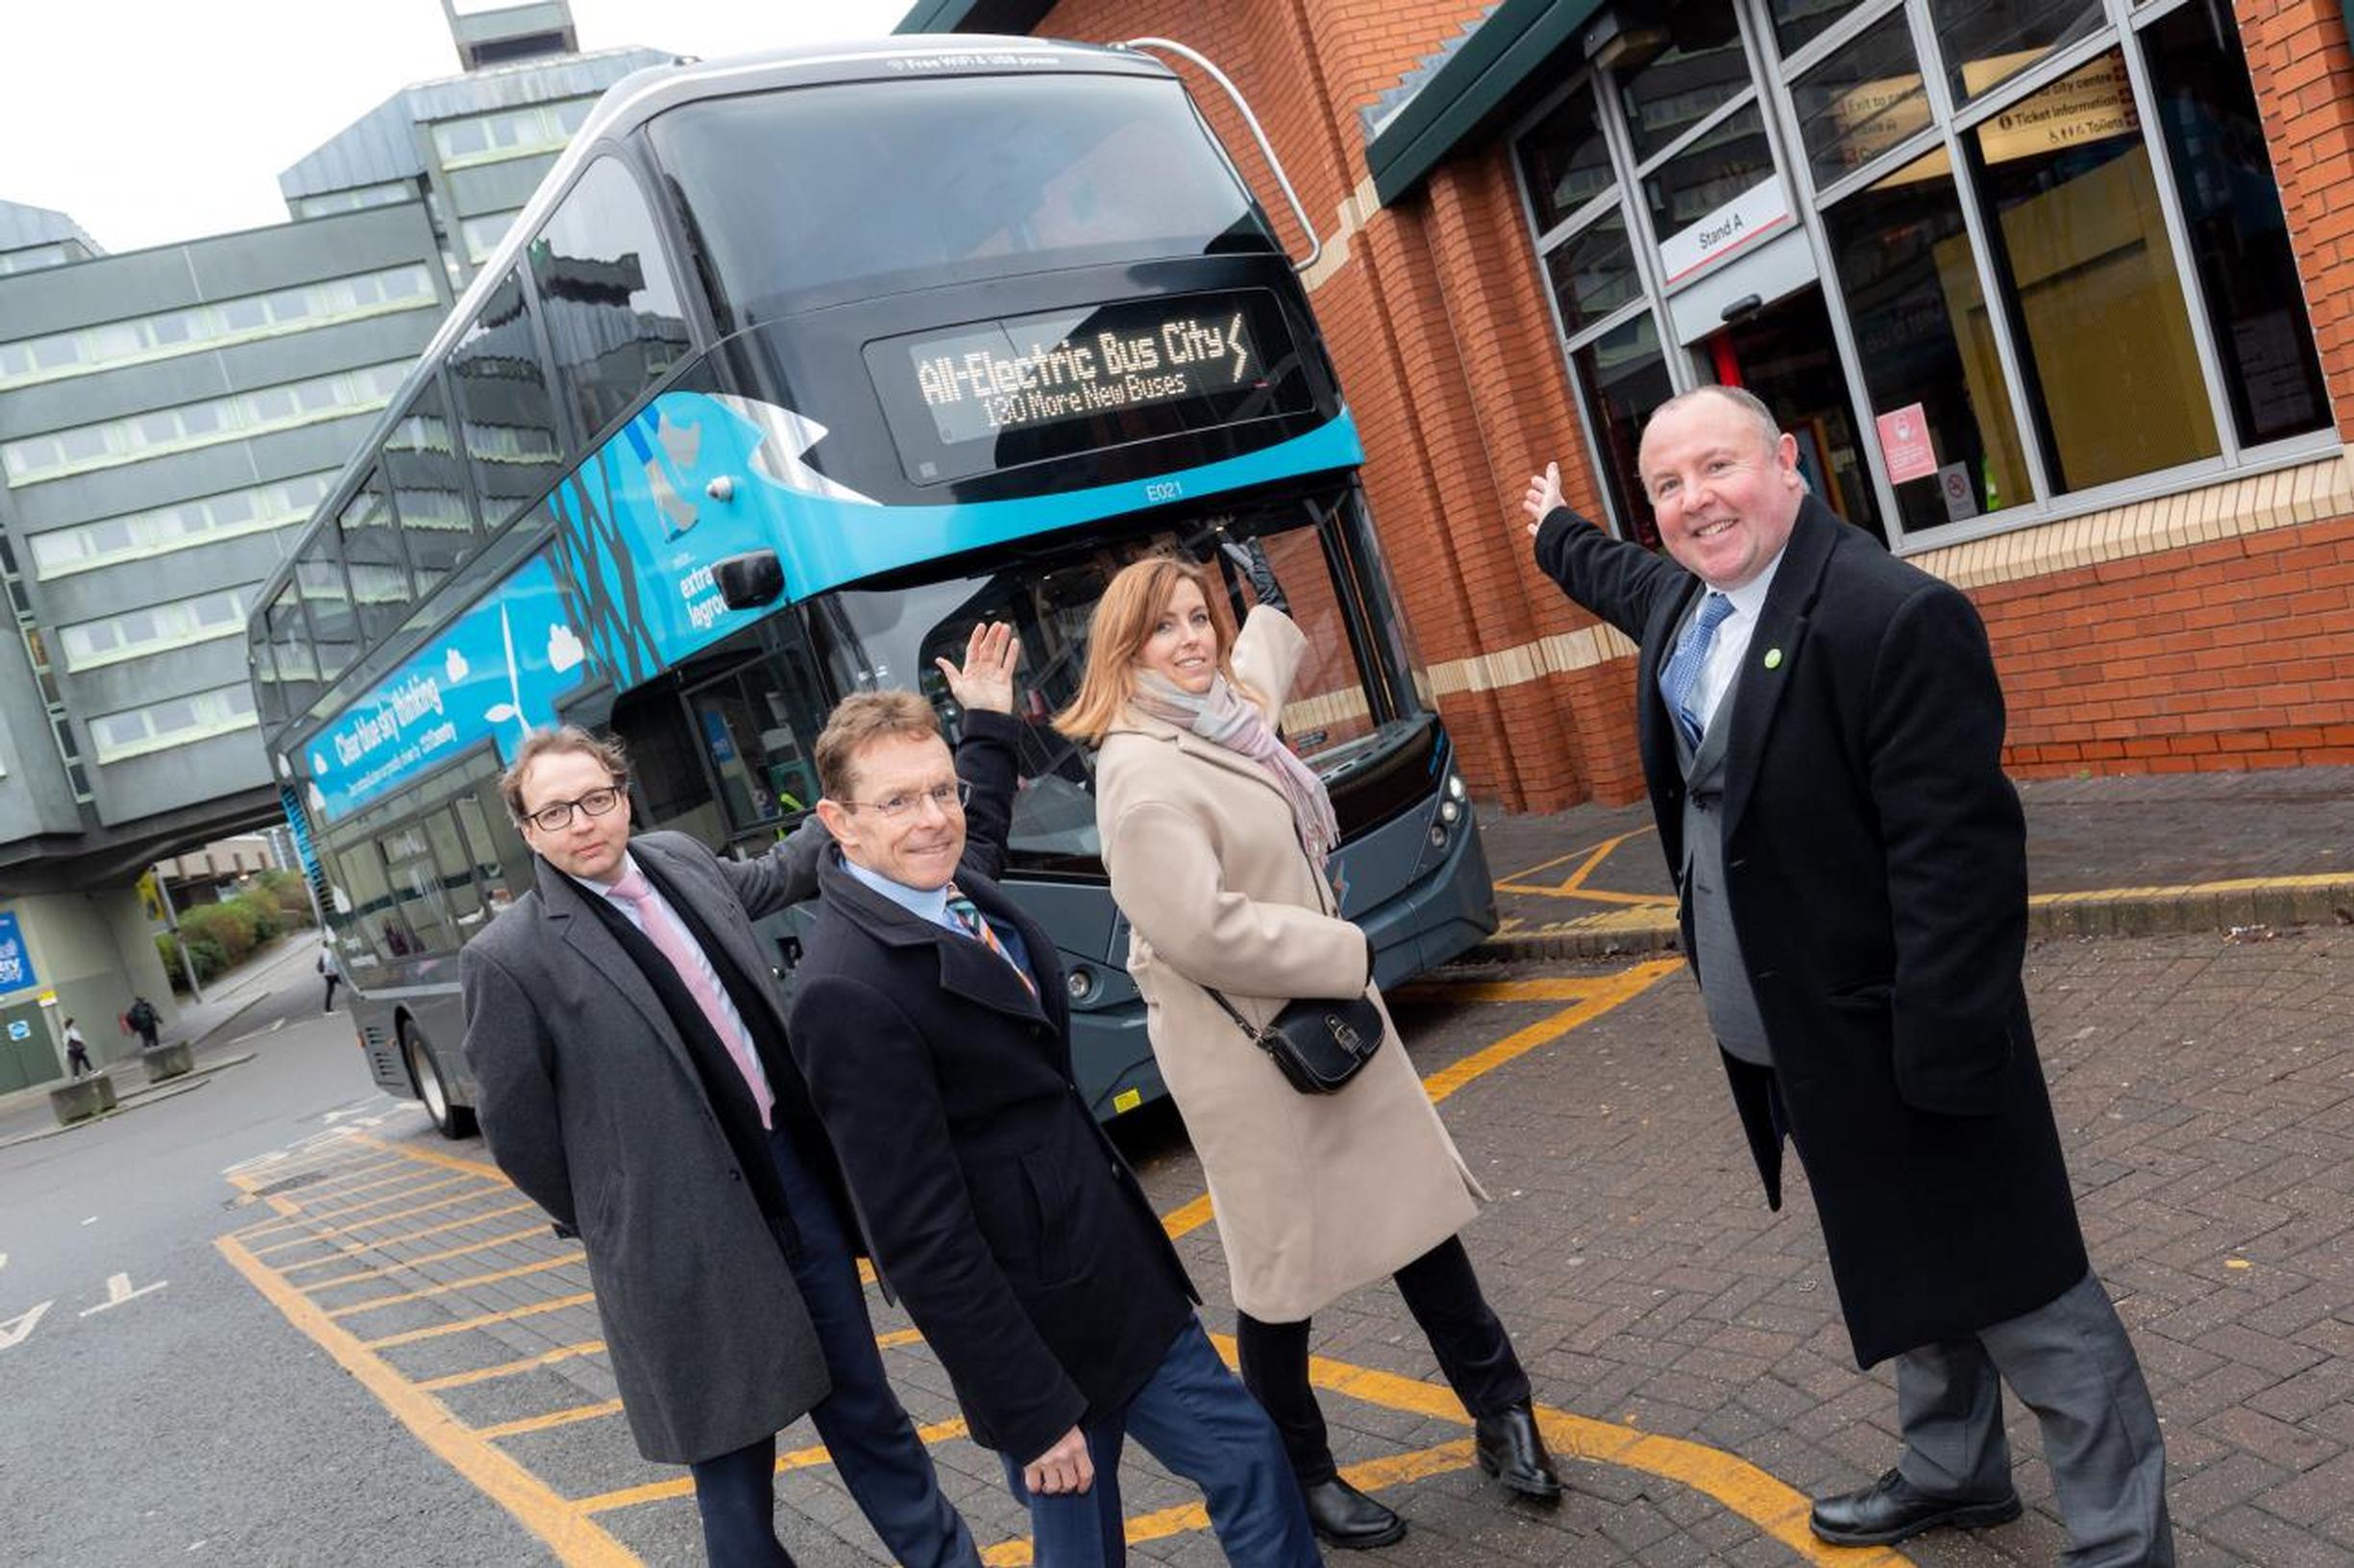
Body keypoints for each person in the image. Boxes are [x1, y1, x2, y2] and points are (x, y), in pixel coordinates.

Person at [1523, 384, 2171, 1564]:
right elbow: (1615, 576)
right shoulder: (1689, 605)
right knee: (1893, 1259)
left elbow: (1959, 869)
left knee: (2030, 1303)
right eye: (1664, 486)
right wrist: (1552, 527)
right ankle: (1952, 1472)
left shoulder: (1889, 615)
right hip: (1795, 1053)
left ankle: (2122, 1545)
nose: (1691, 502)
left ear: (1785, 462)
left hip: (1907, 1053)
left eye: (1714, 468)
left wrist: (1944, 1069)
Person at [460, 625, 1024, 1568]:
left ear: (623, 798)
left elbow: (787, 870)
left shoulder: (680, 862)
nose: (582, 823)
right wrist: (615, 1212)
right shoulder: (509, 958)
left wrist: (863, 788)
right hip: (682, 1249)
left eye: (595, 798)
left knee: (872, 1421)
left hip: (796, 1197)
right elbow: (517, 1134)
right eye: (554, 814)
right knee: (735, 1486)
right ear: (526, 832)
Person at [1056, 553, 1561, 1550]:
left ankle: (1501, 1412)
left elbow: (1257, 674)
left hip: (1321, 1016)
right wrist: (1346, 948)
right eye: (1164, 628)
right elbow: (1198, 929)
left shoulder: (1218, 718)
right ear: (1124, 649)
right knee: (1278, 1272)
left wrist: (1264, 595)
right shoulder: (1141, 772)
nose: (1192, 640)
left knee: (1415, 1220)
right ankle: (1301, 1464)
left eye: (1199, 617)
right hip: (1248, 1053)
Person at [788, 691, 1321, 1568]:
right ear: (837, 823)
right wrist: (1031, 1411)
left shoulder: (959, 891)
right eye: (897, 802)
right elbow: (918, 1241)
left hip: (1119, 1283)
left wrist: (989, 731)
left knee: (1250, 1460)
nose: (933, 820)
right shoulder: (847, 994)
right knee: (1084, 1546)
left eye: (942, 791)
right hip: (1035, 1338)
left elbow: (977, 836)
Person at [317, 946, 341, 1014]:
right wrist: (332, 971)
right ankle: (327, 1008)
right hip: (331, 973)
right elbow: (328, 963)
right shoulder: (328, 952)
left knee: (330, 990)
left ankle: (327, 1008)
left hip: (328, 974)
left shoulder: (324, 952)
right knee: (346, 983)